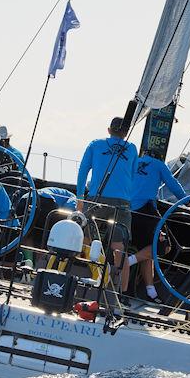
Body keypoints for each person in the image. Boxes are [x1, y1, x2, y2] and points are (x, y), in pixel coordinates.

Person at [75, 116, 138, 293]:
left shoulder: (95, 144)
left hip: (97, 199)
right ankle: (121, 292)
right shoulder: (132, 148)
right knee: (119, 247)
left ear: (109, 130)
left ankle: (87, 276)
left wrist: (80, 199)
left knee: (86, 238)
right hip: (123, 203)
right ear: (125, 133)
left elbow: (82, 172)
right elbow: (133, 176)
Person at [128, 150, 188, 302]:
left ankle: (151, 293)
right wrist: (187, 201)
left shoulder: (134, 162)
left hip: (128, 212)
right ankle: (127, 262)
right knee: (162, 246)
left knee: (148, 250)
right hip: (145, 211)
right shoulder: (159, 165)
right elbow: (173, 184)